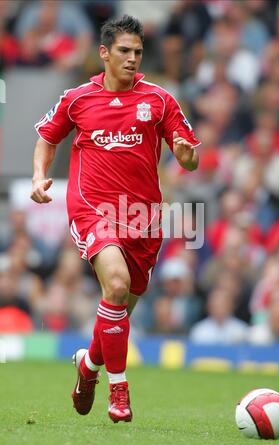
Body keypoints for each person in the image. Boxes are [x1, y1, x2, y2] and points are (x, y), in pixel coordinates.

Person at [31, 15, 200, 423]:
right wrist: (39, 175)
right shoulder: (77, 98)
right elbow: (47, 137)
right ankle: (119, 391)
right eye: (124, 51)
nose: (132, 59)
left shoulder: (160, 99)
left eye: (138, 52)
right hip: (93, 209)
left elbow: (190, 158)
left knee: (119, 304)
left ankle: (88, 366)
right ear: (105, 53)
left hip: (143, 218)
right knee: (118, 286)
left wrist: (185, 152)